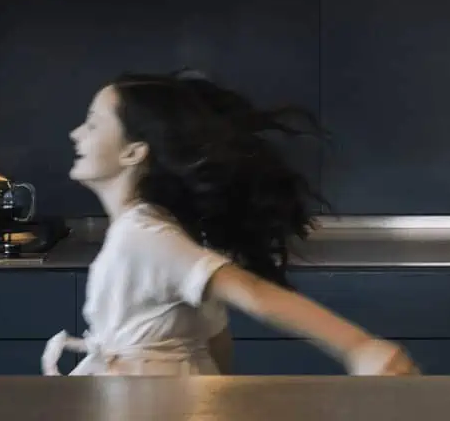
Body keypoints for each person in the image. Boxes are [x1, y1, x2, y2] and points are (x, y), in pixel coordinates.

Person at [41, 70, 420, 377]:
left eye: (92, 124)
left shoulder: (141, 235)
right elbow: (215, 336)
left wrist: (358, 346)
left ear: (133, 151)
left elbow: (250, 292)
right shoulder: (157, 230)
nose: (76, 134)